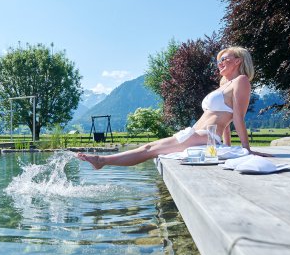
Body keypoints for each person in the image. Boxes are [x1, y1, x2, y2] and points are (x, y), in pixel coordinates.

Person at [77, 46, 271, 170]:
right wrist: (226, 147)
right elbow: (225, 123)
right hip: (198, 134)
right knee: (151, 148)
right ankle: (101, 160)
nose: (220, 63)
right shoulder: (224, 85)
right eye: (218, 60)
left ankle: (101, 161)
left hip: (205, 136)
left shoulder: (241, 81)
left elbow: (237, 117)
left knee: (149, 148)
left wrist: (246, 149)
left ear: (238, 61)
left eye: (225, 59)